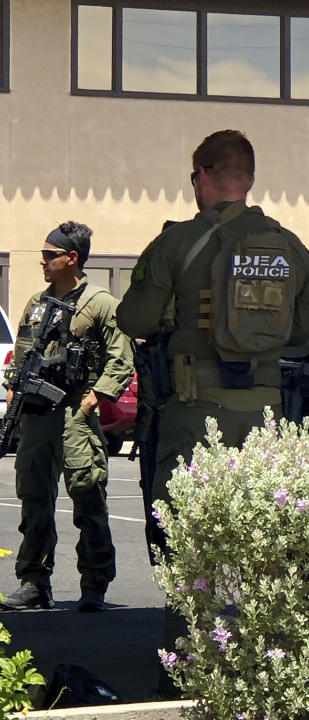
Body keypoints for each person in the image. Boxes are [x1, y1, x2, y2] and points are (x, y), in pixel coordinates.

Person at [117, 129, 309, 547]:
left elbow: (135, 320)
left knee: (187, 543)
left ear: (203, 176)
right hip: (266, 414)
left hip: (195, 411)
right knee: (257, 544)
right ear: (248, 179)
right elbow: (301, 332)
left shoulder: (176, 242)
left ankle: (194, 616)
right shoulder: (290, 247)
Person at [0, 222, 134, 612]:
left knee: (86, 492)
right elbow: (23, 352)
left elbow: (121, 358)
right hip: (38, 414)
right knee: (34, 496)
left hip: (75, 409)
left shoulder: (100, 302)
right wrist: (14, 391)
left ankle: (94, 583)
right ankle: (34, 582)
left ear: (71, 258)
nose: (42, 261)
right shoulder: (37, 303)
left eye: (49, 255)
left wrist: (95, 398)